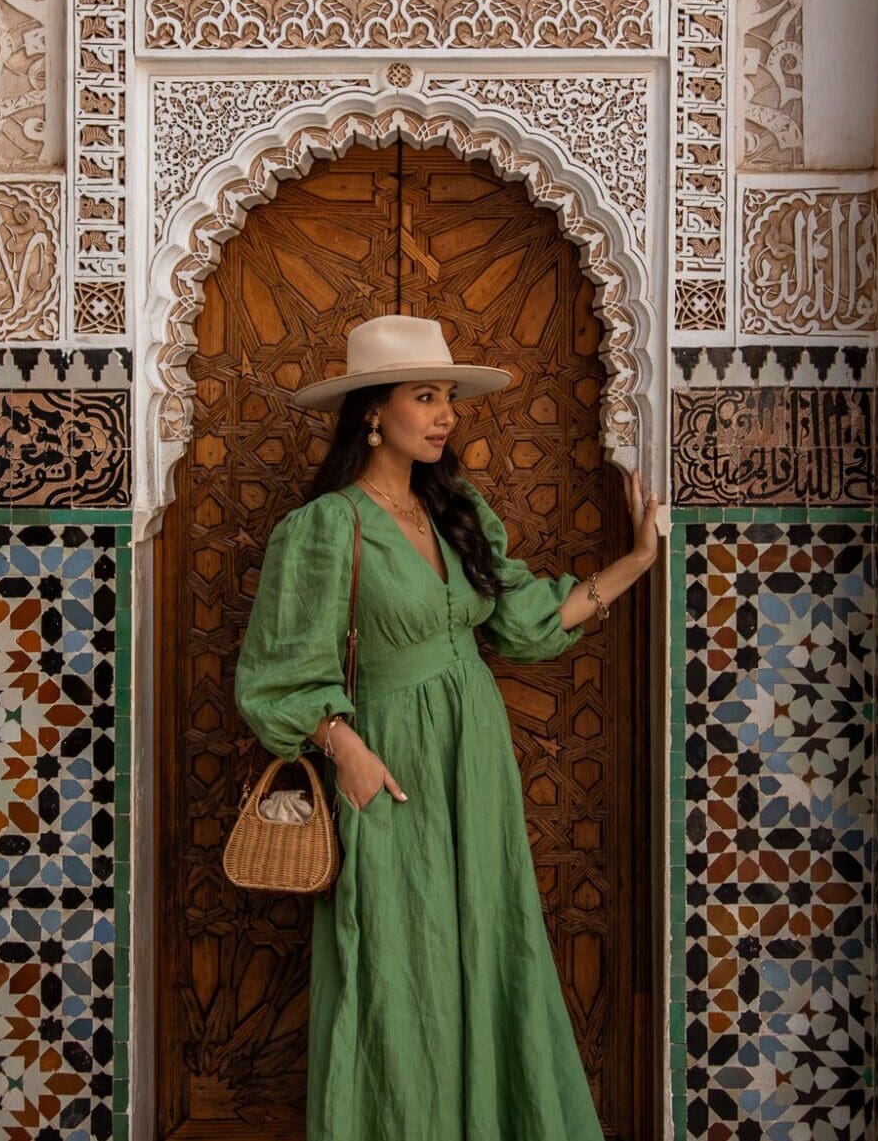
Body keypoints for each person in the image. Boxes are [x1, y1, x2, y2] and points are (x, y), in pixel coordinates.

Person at [232, 313, 661, 1141]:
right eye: (424, 397)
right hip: (388, 766)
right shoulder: (326, 527)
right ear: (371, 411)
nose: (445, 414)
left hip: (477, 759)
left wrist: (635, 561)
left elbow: (528, 623)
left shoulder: (454, 508)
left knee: (490, 940)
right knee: (393, 958)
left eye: (447, 398)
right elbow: (276, 671)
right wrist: (344, 746)